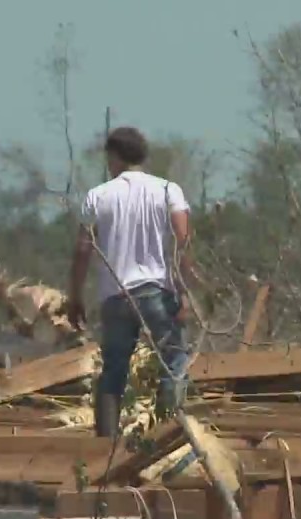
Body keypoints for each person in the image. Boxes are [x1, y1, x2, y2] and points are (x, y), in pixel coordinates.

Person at [66, 127, 199, 438]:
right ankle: (169, 435)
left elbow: (82, 251)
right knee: (174, 362)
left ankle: (105, 446)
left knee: (113, 371)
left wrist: (75, 297)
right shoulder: (168, 191)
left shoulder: (98, 196)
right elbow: (183, 243)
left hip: (114, 296)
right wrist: (186, 293)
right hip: (156, 292)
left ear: (114, 156)